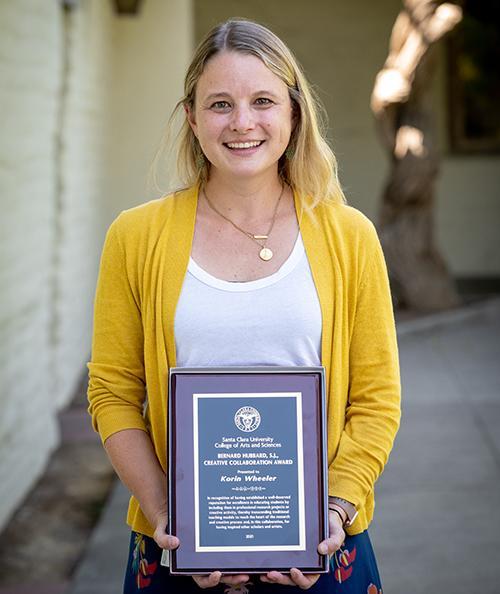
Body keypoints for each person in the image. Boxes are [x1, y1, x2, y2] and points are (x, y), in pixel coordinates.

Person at [88, 18, 401, 594]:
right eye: (219, 104)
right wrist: (167, 515)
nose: (242, 123)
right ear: (191, 117)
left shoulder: (349, 236)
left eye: (262, 101)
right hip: (176, 553)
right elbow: (112, 391)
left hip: (325, 554)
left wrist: (331, 512)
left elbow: (377, 398)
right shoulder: (134, 237)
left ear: (293, 112)